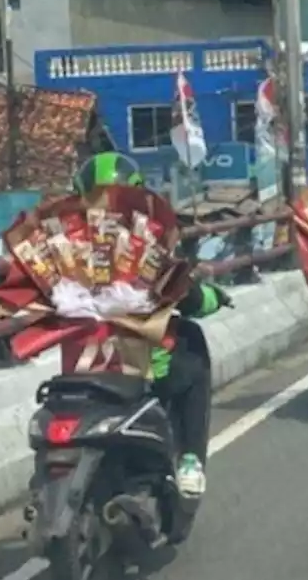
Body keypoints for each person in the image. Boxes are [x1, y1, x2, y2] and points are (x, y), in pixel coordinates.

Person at [73, 152, 229, 498]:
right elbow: (187, 298)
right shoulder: (144, 247)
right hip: (140, 370)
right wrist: (213, 298)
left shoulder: (64, 249)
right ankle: (189, 459)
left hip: (79, 370)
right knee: (191, 343)